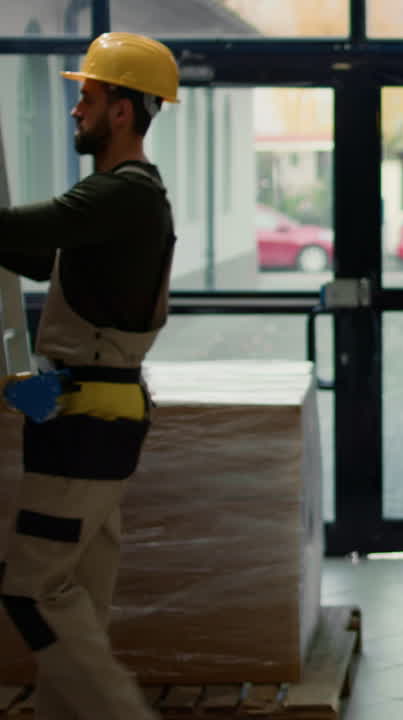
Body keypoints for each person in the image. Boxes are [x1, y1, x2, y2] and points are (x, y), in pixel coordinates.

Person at [0, 31, 179, 720]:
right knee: (78, 592)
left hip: (85, 422)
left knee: (33, 591)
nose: (76, 110)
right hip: (94, 416)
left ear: (122, 111)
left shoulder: (123, 193)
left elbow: (29, 228)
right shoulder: (125, 200)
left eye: (89, 98)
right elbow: (43, 255)